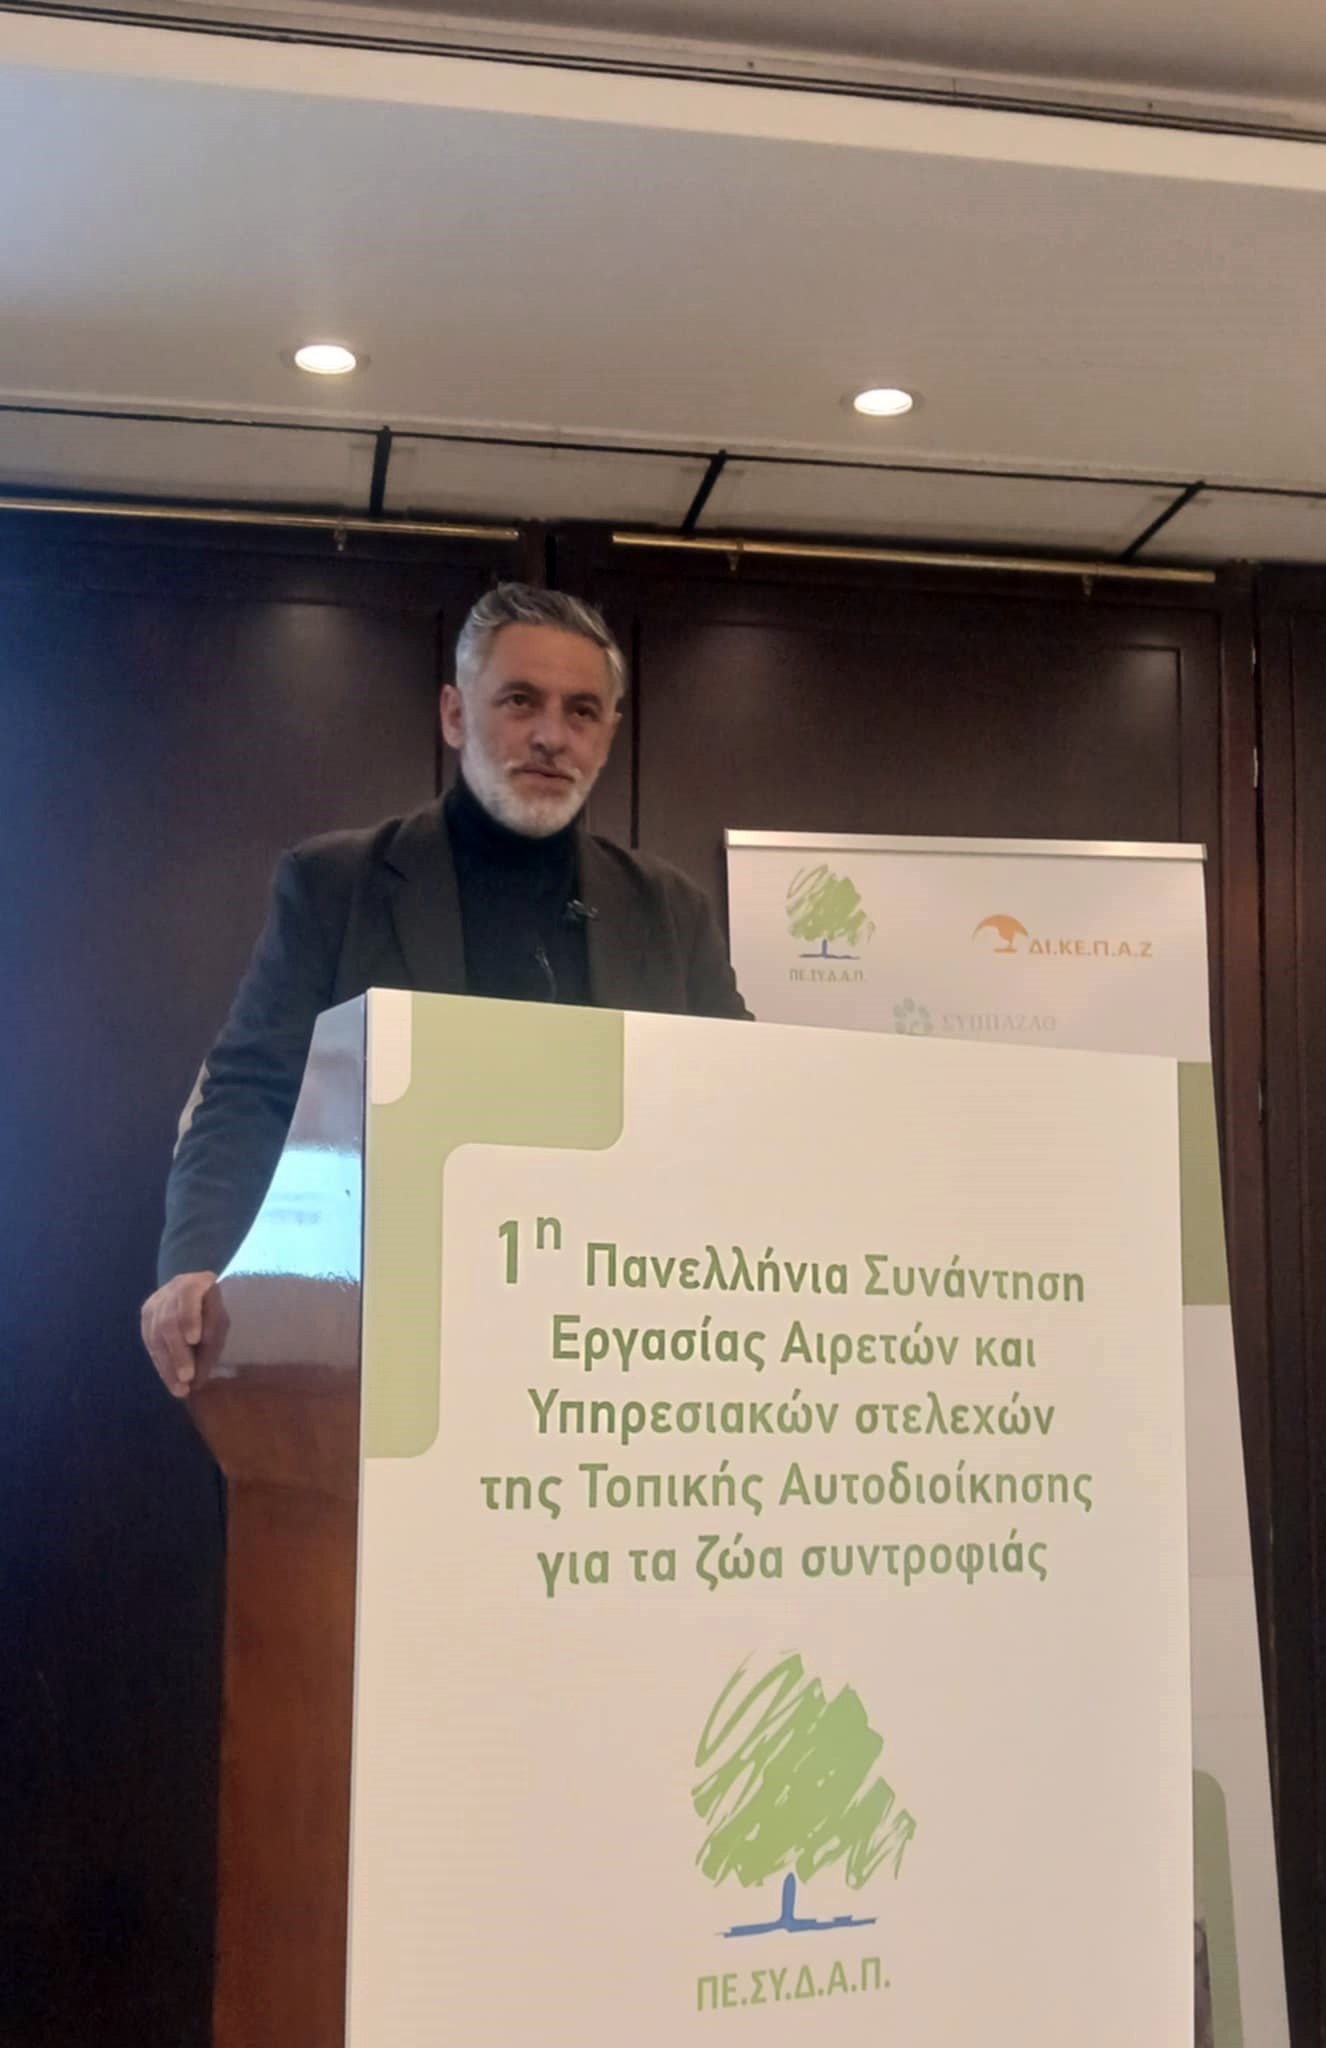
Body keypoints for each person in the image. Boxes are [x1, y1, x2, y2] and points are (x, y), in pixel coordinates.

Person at [140, 583, 750, 1397]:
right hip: (384, 1336)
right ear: (456, 715)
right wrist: (199, 1259)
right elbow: (250, 1090)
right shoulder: (335, 886)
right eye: (520, 700)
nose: (551, 735)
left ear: (608, 735)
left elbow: (744, 1107)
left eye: (581, 711)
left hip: (613, 1343)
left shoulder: (671, 913)